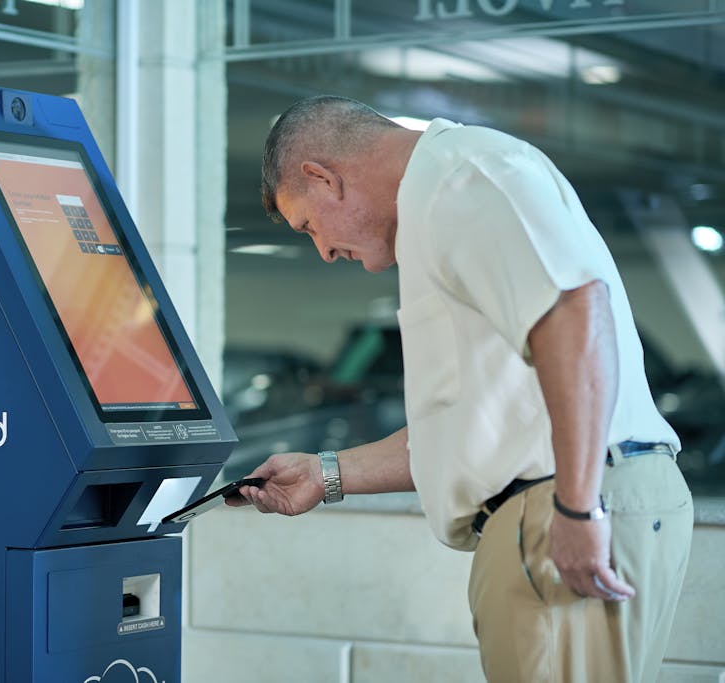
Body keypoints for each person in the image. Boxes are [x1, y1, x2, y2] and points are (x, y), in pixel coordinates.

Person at [231, 95, 693, 682]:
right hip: (561, 501)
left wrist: (577, 505)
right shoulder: (439, 206)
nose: (323, 251)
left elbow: (578, 314)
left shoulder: (462, 178)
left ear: (321, 176)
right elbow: (473, 424)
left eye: (309, 225)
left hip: (561, 505)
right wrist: (326, 473)